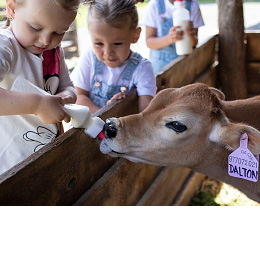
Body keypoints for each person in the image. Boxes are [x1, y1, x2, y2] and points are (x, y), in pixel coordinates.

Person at [0, 0, 80, 174]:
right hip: (11, 168)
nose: (46, 40)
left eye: (59, 32)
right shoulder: (5, 46)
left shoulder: (54, 50)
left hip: (48, 157)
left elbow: (68, 87)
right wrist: (37, 105)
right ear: (12, 8)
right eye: (35, 28)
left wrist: (65, 97)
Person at [70, 0, 157, 114]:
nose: (108, 52)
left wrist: (119, 109)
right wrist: (106, 114)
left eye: (117, 44)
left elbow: (146, 112)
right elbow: (79, 97)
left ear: (135, 36)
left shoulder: (142, 68)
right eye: (99, 44)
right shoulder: (90, 58)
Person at [142, 0, 204, 73]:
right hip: (160, 68)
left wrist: (191, 35)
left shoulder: (192, 5)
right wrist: (169, 39)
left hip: (185, 65)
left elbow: (194, 43)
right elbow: (149, 42)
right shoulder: (154, 5)